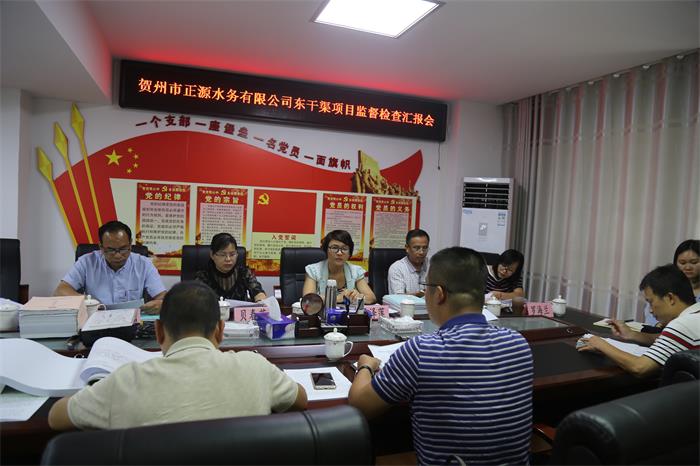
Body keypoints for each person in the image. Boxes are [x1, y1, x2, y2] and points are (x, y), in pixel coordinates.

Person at [348, 247, 533, 465]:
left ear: (439, 294)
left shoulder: (421, 350)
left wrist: (365, 365)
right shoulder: (518, 343)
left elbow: (360, 405)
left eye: (426, 288)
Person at [48, 281, 307, 430]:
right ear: (220, 330)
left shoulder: (126, 381)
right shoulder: (255, 367)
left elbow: (56, 417)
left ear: (159, 331)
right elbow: (301, 399)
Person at [578, 264, 700, 377]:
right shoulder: (694, 315)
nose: (650, 310)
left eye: (651, 302)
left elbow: (639, 368)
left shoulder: (681, 325)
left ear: (670, 298)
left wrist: (600, 344)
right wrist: (632, 334)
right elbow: (666, 339)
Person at [54, 221, 166, 313]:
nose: (118, 255)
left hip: (131, 322)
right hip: (95, 319)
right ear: (101, 247)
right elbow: (60, 290)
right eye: (111, 250)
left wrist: (161, 303)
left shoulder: (144, 264)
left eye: (123, 249)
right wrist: (87, 302)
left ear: (130, 245)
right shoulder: (86, 262)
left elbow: (162, 296)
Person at [302, 230, 376, 304]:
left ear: (349, 253)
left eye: (344, 249)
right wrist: (337, 298)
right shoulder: (313, 270)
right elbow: (308, 300)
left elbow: (371, 298)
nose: (339, 253)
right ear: (326, 250)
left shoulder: (356, 271)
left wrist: (358, 297)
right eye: (334, 248)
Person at [194, 233, 266, 302]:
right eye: (222, 255)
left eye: (232, 254)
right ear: (212, 255)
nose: (228, 259)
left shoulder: (244, 272)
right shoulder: (203, 276)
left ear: (237, 254)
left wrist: (260, 301)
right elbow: (196, 300)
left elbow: (258, 291)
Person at [644, 239, 700, 325]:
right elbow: (651, 320)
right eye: (682, 263)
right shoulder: (663, 287)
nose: (688, 267)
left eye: (694, 262)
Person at [387, 229, 430, 297]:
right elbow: (397, 298)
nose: (421, 252)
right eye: (416, 248)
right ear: (407, 248)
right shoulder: (397, 268)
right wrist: (417, 295)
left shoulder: (432, 265)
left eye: (425, 248)